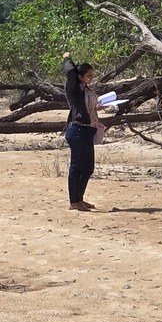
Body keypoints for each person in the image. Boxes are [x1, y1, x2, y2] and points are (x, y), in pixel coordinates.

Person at [62, 52, 102, 211]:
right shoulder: (73, 87)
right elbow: (70, 72)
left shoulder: (86, 89)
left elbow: (89, 106)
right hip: (77, 130)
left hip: (88, 131)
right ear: (80, 76)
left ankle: (79, 198)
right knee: (77, 166)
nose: (90, 78)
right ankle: (74, 201)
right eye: (88, 75)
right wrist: (67, 58)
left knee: (88, 168)